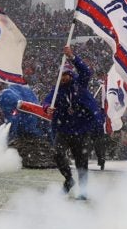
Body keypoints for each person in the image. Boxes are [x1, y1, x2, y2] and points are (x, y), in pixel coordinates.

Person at [43, 47, 102, 198]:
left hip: (81, 129)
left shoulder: (79, 83)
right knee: (57, 154)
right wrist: (47, 108)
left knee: (81, 161)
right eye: (60, 75)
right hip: (63, 129)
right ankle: (69, 179)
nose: (62, 78)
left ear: (70, 74)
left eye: (65, 75)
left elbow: (87, 73)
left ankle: (83, 191)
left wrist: (72, 57)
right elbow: (48, 101)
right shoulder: (56, 89)